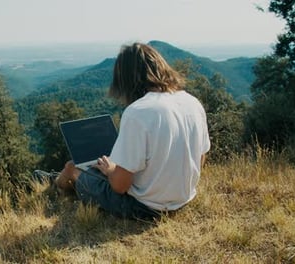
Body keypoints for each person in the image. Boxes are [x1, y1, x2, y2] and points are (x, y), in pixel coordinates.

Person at [51, 42, 210, 219]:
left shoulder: (138, 112)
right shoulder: (192, 102)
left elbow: (120, 186)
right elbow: (200, 159)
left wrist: (111, 170)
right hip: (184, 198)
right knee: (98, 167)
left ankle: (53, 185)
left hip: (145, 207)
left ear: (125, 79)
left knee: (72, 167)